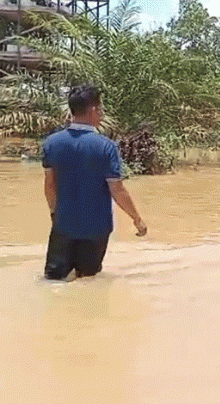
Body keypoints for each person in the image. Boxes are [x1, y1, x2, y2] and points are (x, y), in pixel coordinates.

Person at [43, 85, 147, 282]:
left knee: (54, 281)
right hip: (96, 228)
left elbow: (49, 185)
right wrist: (137, 219)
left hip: (63, 224)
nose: (101, 113)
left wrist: (55, 214)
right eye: (100, 109)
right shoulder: (106, 146)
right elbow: (117, 189)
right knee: (87, 281)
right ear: (93, 110)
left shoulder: (52, 143)